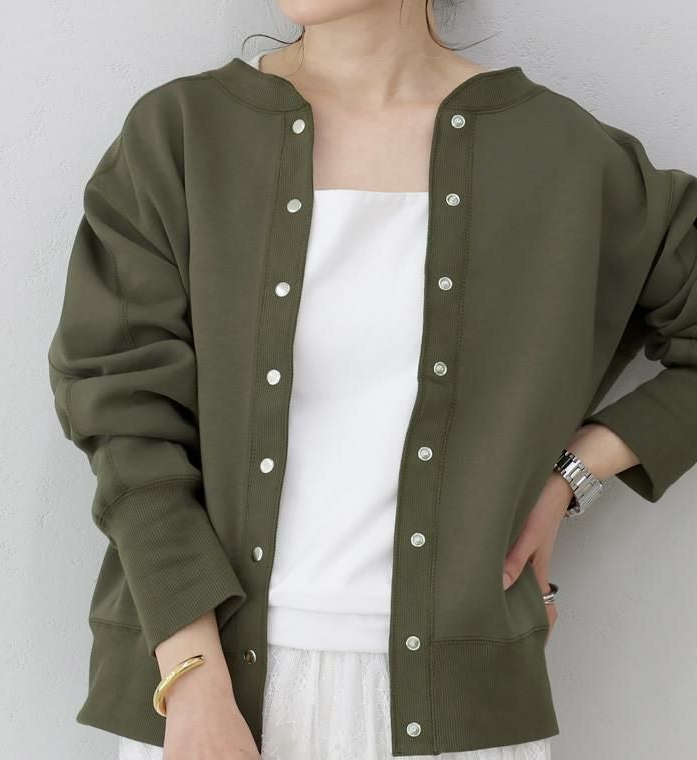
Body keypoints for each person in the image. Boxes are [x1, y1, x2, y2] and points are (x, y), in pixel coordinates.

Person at [46, 2, 697, 759]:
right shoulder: (181, 136)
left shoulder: (561, 155)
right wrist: (193, 682)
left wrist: (571, 477)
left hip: (459, 719)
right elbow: (124, 418)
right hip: (210, 699)